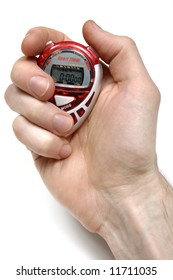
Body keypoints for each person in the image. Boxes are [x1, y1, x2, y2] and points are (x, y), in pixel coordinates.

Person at [4, 20, 173, 259]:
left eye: (71, 75)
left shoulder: (97, 74)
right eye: (61, 75)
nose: (65, 79)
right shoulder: (86, 68)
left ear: (93, 71)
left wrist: (133, 190)